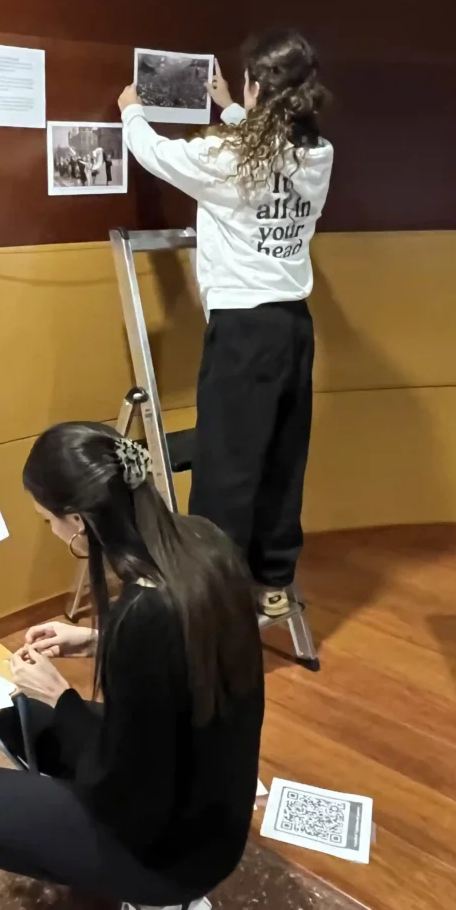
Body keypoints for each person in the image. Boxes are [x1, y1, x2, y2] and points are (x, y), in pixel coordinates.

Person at [0, 422, 264, 910]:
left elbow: (124, 788)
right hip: (212, 804)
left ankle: (152, 897)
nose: (52, 530)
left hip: (171, 854)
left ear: (78, 520)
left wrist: (59, 695)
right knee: (18, 722)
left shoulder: (143, 614)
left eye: (48, 520)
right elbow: (178, 655)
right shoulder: (203, 541)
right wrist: (94, 641)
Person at [118, 30, 333, 619]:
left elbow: (158, 154)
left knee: (227, 466)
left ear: (257, 85)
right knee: (283, 459)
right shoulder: (319, 154)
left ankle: (216, 593)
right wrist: (233, 108)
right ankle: (273, 580)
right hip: (294, 327)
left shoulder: (227, 160)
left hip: (243, 333)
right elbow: (267, 152)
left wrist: (131, 109)